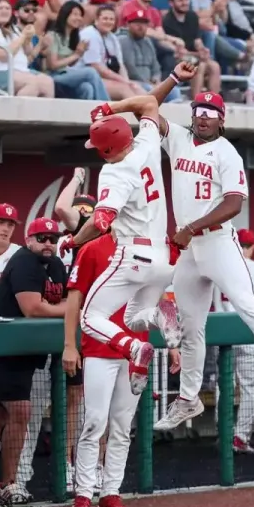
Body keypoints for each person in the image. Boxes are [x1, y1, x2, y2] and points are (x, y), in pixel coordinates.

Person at [127, 63, 254, 431]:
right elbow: (145, 107)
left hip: (217, 243)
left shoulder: (227, 152)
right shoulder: (177, 136)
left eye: (211, 112)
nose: (203, 117)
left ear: (221, 120)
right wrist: (175, 79)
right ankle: (188, 399)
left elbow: (234, 204)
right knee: (192, 328)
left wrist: (191, 227)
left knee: (248, 307)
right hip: (190, 249)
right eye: (198, 110)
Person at [62, 229, 181, 507]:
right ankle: (83, 493)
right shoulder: (92, 249)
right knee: (93, 421)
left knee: (122, 425)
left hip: (136, 350)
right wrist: (69, 344)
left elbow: (163, 298)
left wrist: (173, 342)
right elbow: (74, 301)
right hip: (100, 349)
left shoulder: (153, 248)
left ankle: (111, 491)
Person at [72, 95, 182, 397]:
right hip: (163, 256)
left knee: (90, 317)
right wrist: (110, 109)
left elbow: (101, 221)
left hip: (134, 253)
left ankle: (134, 349)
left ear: (107, 150)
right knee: (134, 317)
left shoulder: (113, 170)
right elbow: (148, 103)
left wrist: (73, 239)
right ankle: (160, 316)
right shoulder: (146, 145)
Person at [0, 218, 68, 507]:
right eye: (42, 238)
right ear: (29, 240)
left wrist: (62, 307)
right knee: (20, 411)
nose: (48, 243)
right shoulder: (24, 261)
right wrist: (68, 309)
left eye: (53, 238)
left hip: (24, 351)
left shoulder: (57, 265)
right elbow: (32, 308)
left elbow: (54, 302)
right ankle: (6, 482)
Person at [211, 229, 254, 453]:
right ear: (253, 246)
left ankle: (223, 434)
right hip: (249, 337)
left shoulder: (217, 271)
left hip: (223, 337)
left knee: (224, 387)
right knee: (249, 388)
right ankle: (240, 438)